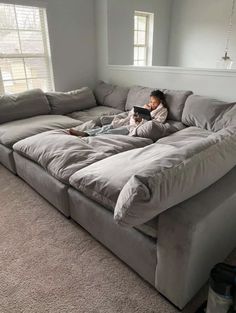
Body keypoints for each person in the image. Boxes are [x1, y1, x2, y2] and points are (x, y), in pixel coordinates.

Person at [69, 89, 168, 137]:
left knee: (113, 131)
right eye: (151, 101)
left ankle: (90, 136)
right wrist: (136, 115)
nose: (152, 104)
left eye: (154, 102)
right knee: (109, 126)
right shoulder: (148, 107)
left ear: (161, 101)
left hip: (135, 127)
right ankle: (86, 132)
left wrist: (142, 119)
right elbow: (133, 113)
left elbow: (156, 123)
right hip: (132, 122)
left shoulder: (163, 111)